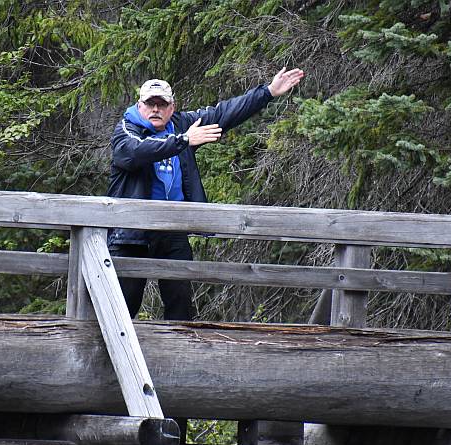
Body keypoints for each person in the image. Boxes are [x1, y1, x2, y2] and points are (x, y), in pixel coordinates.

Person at [108, 67, 305, 320]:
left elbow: (224, 113)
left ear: (172, 107)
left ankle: (179, 355)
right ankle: (110, 358)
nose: (155, 109)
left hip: (173, 229)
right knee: (123, 309)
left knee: (180, 306)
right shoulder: (126, 129)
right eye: (150, 103)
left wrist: (267, 92)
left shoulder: (181, 125)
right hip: (132, 233)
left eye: (161, 104)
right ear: (140, 105)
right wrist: (183, 141)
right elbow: (135, 152)